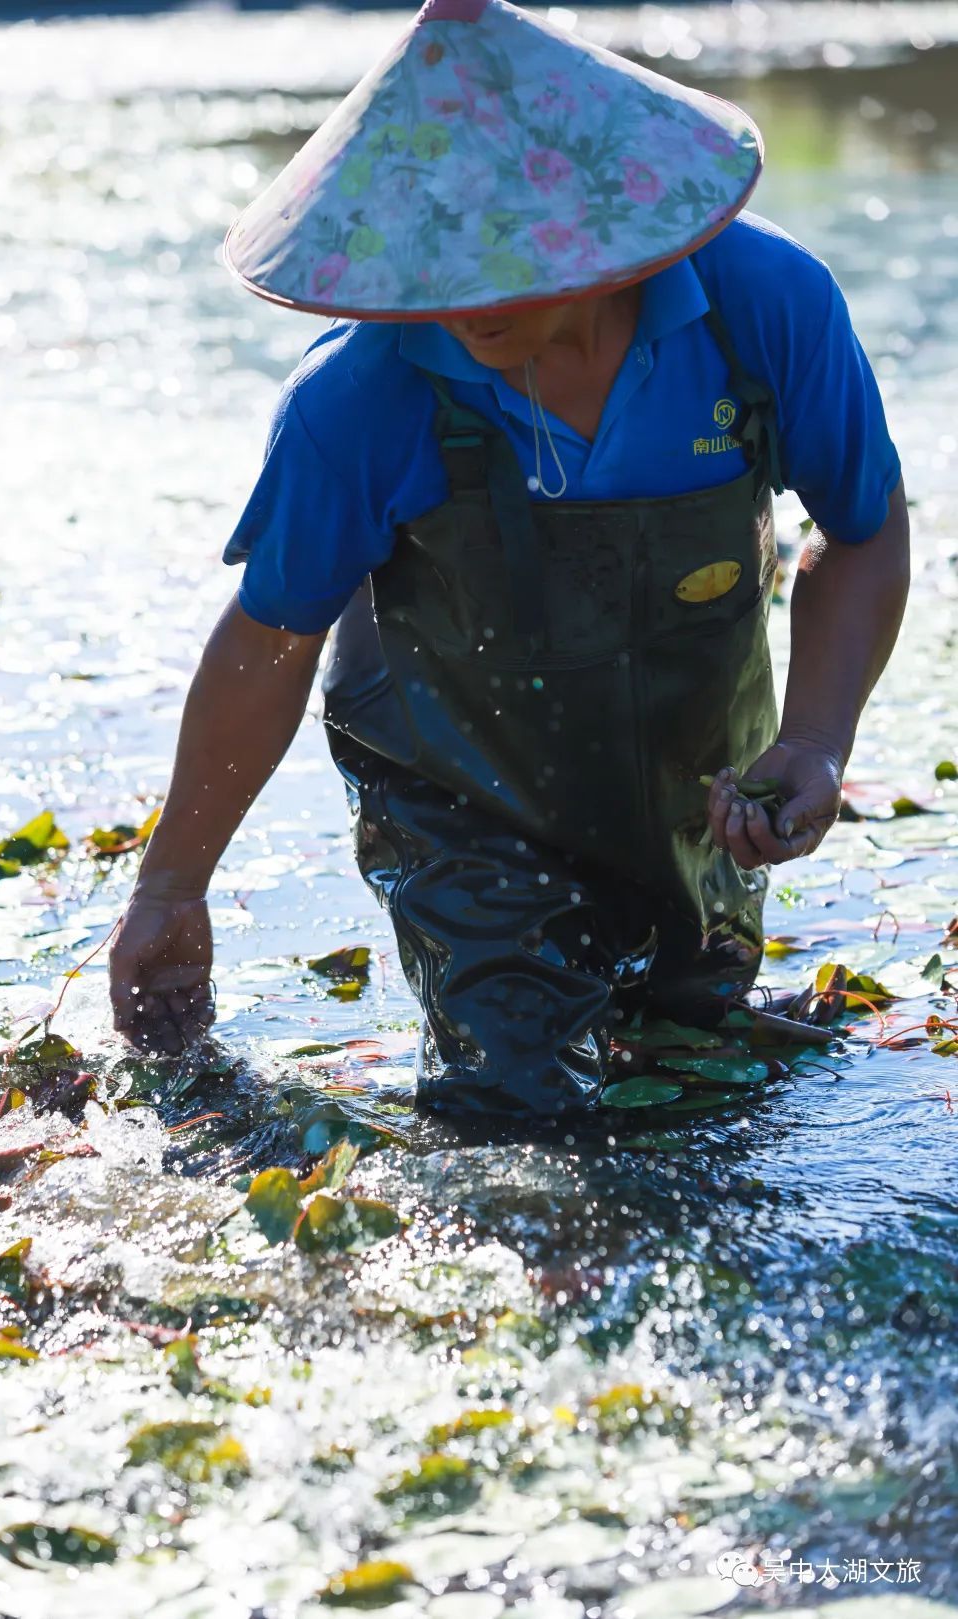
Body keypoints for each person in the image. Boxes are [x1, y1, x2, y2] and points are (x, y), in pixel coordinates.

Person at [109, 0, 909, 1118]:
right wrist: (171, 887)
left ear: (596, 224)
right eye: (429, 252)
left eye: (496, 254)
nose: (459, 295)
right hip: (459, 793)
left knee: (697, 1086)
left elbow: (864, 530)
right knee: (517, 1104)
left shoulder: (766, 310)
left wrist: (818, 740)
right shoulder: (358, 398)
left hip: (695, 784)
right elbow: (269, 640)